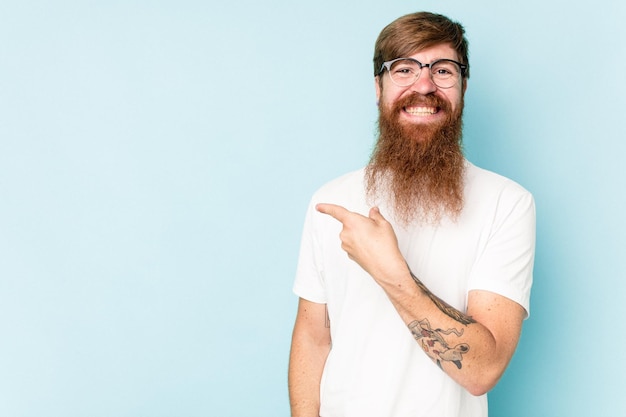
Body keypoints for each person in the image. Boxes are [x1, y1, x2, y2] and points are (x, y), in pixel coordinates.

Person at [288, 11, 535, 417]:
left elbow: (482, 370)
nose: (424, 86)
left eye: (442, 70)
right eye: (403, 69)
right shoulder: (331, 200)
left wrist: (390, 270)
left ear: (463, 86)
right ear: (378, 87)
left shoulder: (506, 203)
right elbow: (314, 339)